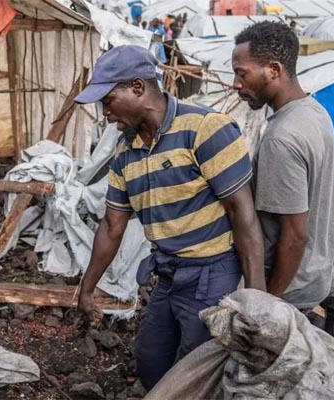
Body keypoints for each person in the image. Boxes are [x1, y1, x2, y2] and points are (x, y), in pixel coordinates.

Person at [75, 45, 266, 390]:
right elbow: (111, 225)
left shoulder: (206, 129)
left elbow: (244, 215)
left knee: (195, 372)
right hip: (166, 273)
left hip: (212, 273)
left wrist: (257, 302)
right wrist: (86, 288)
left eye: (107, 102)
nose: (105, 115)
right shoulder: (125, 153)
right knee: (151, 361)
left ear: (137, 87)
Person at [232, 21, 334, 312]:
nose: (236, 84)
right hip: (314, 274)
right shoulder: (315, 112)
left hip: (289, 288)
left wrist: (268, 304)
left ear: (274, 70)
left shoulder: (281, 139)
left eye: (243, 74)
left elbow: (294, 236)